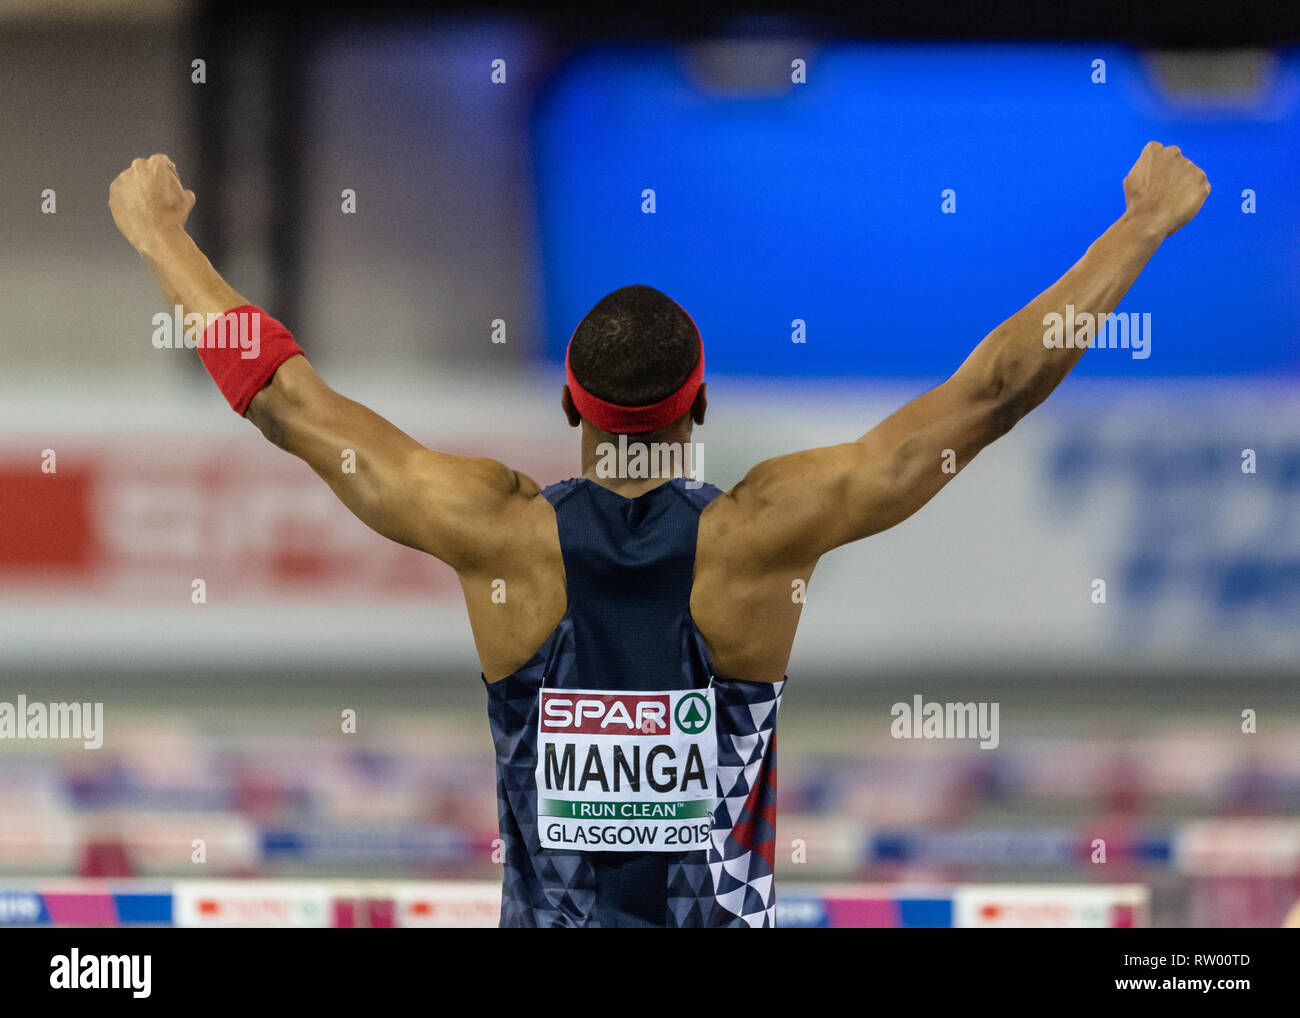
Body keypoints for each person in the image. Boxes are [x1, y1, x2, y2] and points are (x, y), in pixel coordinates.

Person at [108, 142, 1210, 926]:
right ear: (699, 408)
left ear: (570, 410)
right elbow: (994, 391)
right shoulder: (764, 536)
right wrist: (1139, 227)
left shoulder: (492, 532)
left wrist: (164, 239)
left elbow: (286, 402)